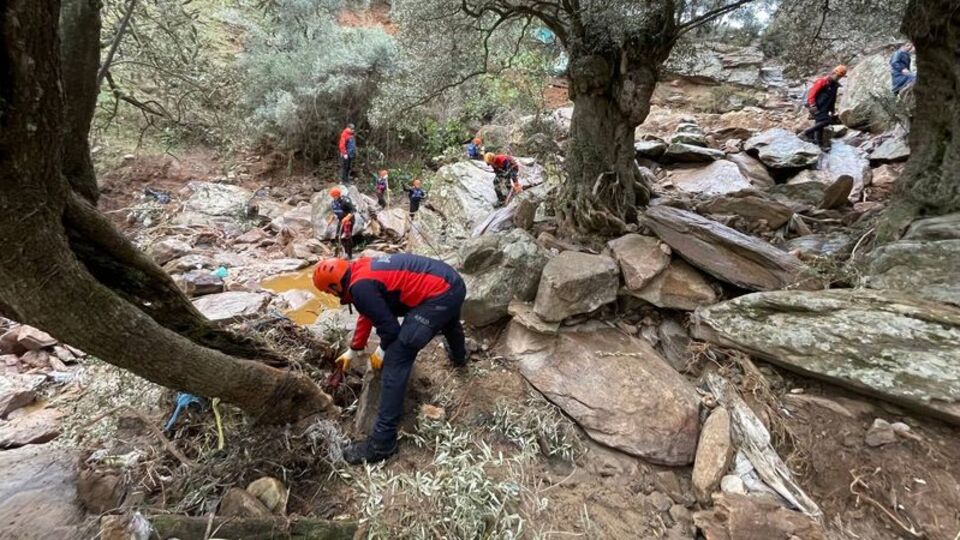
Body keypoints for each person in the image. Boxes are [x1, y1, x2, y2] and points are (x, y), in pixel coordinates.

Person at [312, 254, 468, 464]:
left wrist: (382, 351)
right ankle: (459, 357)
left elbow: (390, 330)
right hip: (451, 282)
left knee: (397, 359)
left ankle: (382, 443)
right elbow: (368, 311)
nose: (331, 295)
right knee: (449, 321)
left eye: (329, 291)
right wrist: (354, 349)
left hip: (440, 294)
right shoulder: (360, 270)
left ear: (333, 286)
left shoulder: (360, 288)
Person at [800, 65, 847, 151]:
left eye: (840, 77)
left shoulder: (835, 85)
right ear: (833, 73)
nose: (838, 78)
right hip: (816, 106)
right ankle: (805, 133)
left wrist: (832, 110)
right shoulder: (823, 81)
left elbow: (833, 98)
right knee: (827, 121)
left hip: (825, 107)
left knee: (819, 125)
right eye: (838, 76)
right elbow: (812, 93)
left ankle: (819, 145)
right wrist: (812, 105)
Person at [327, 187, 356, 259]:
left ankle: (349, 255)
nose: (334, 197)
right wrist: (331, 219)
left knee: (347, 237)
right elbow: (335, 212)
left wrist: (347, 217)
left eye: (335, 196)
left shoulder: (345, 201)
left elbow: (353, 210)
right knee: (337, 236)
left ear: (338, 195)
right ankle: (337, 253)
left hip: (349, 221)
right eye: (333, 196)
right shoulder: (333, 202)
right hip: (341, 220)